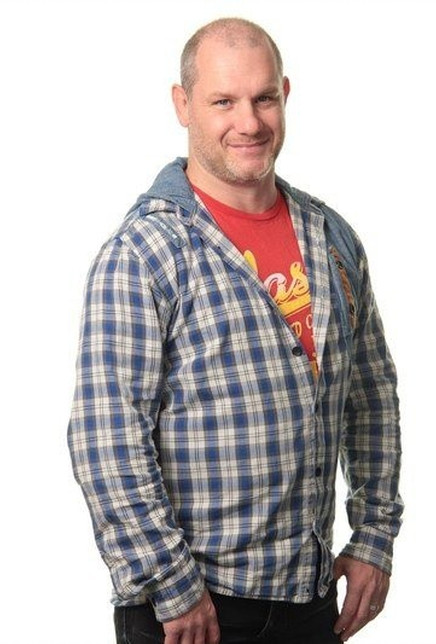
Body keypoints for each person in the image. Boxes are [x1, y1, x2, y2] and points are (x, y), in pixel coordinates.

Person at [68, 17, 403, 644]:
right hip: (195, 609)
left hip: (311, 600)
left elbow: (371, 396)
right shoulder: (144, 253)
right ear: (183, 104)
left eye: (263, 97)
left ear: (285, 94)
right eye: (223, 101)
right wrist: (172, 587)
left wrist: (374, 536)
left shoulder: (331, 237)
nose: (248, 122)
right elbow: (107, 439)